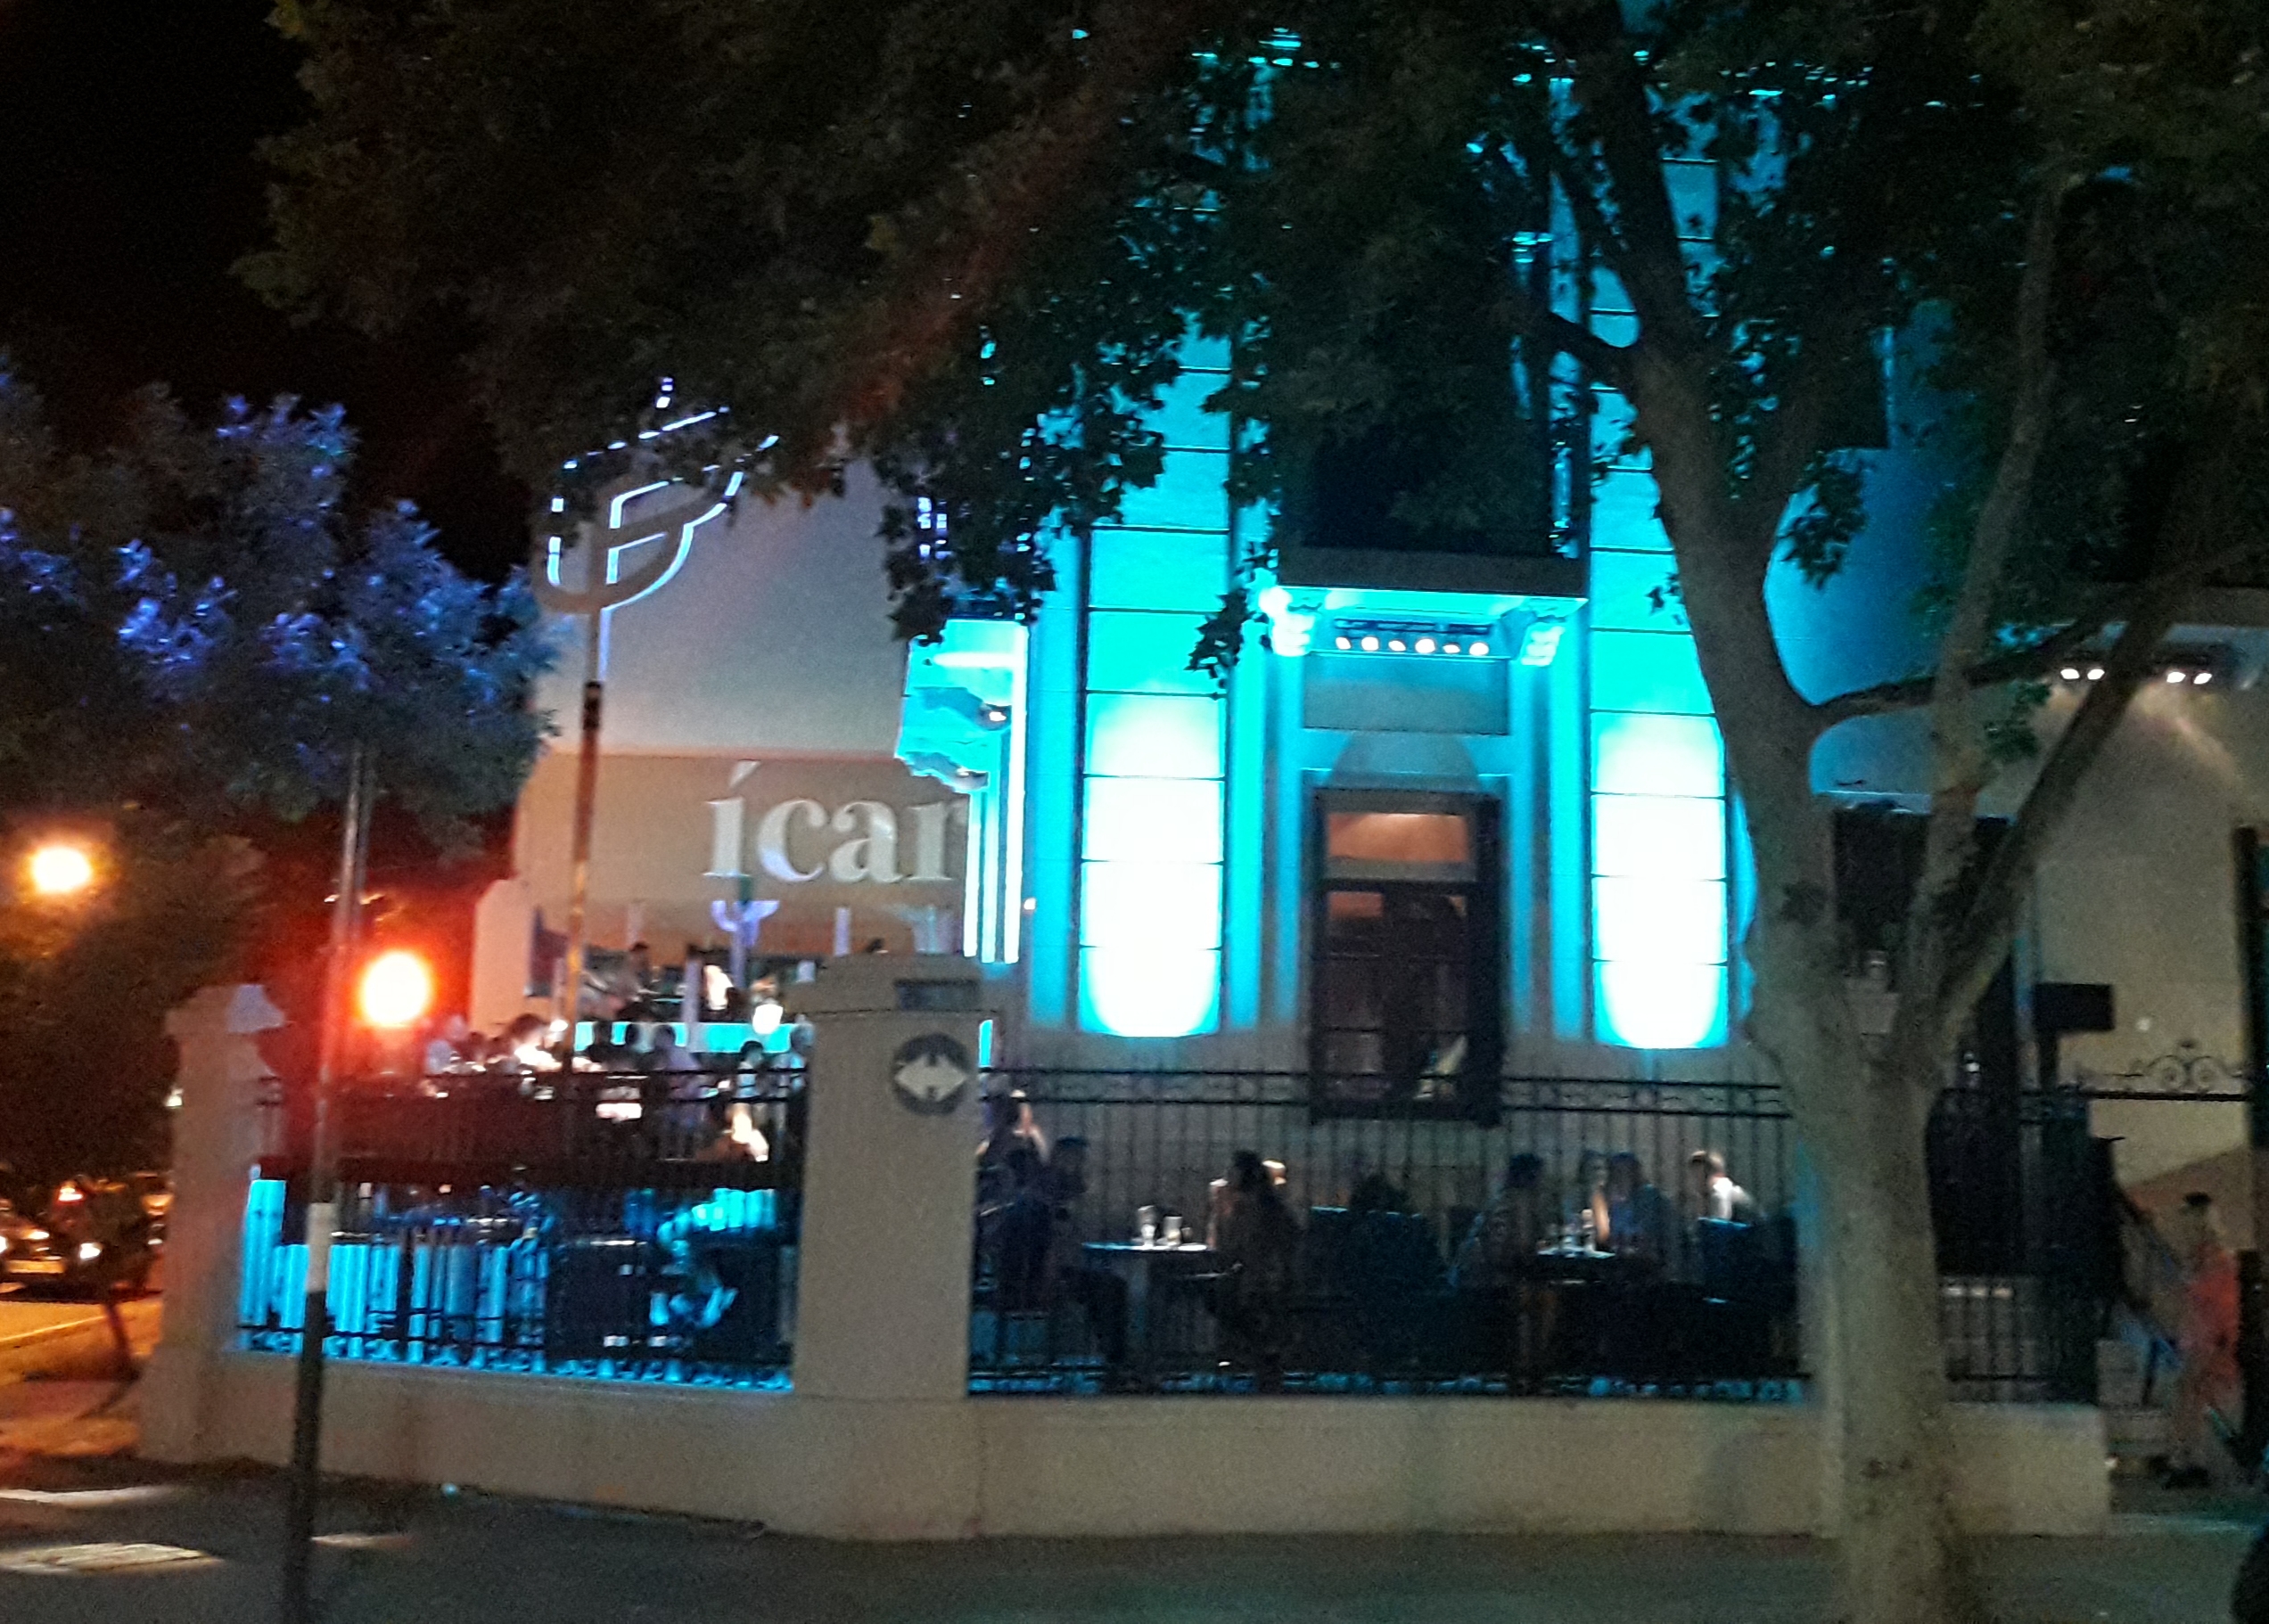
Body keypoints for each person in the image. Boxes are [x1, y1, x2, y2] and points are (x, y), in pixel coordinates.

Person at [2166, 1190, 2240, 1489]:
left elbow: (2220, 1298)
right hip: (2203, 1334)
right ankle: (2190, 1459)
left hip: (2209, 1335)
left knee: (2188, 1392)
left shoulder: (2212, 1257)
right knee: (2193, 1395)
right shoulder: (2204, 1256)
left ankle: (2185, 1459)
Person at [1213, 1149, 1302, 1388]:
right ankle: (1265, 1353)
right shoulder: (1269, 1202)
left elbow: (1229, 1247)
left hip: (1261, 1279)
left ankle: (1258, 1351)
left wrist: (1219, 1209)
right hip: (1277, 1276)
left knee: (1219, 1298)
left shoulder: (1248, 1206)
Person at [1591, 1152, 1672, 1268]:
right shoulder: (1606, 1198)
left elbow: (1648, 1234)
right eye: (1617, 1172)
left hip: (1647, 1262)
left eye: (1626, 1172)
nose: (1621, 1177)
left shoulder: (1649, 1196)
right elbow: (1603, 1237)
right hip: (1615, 1260)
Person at [1684, 1150, 1757, 1222]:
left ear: (1717, 1174)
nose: (1696, 1181)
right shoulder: (1712, 1193)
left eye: (1700, 1176)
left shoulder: (1720, 1189)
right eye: (1694, 1176)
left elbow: (1719, 1222)